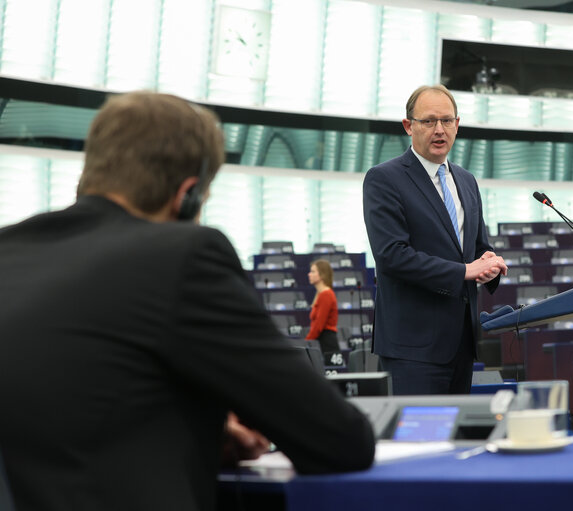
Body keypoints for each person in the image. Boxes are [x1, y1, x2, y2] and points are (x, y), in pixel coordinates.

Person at [0, 92, 374, 511]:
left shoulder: (8, 249)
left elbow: (65, 409)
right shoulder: (183, 255)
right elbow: (339, 440)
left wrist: (195, 432)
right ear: (188, 195)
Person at [362, 84, 507, 396]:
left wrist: (488, 261)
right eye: (428, 121)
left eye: (446, 120)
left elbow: (477, 246)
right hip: (412, 348)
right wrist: (463, 271)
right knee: (421, 442)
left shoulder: (466, 181)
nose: (439, 129)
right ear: (408, 126)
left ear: (457, 125)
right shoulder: (384, 179)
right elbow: (392, 255)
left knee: (457, 442)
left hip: (462, 344)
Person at [306, 259, 340, 353]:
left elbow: (319, 325)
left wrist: (306, 342)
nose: (309, 274)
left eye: (313, 271)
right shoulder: (321, 294)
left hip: (327, 344)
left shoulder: (326, 294)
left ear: (322, 274)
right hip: (322, 342)